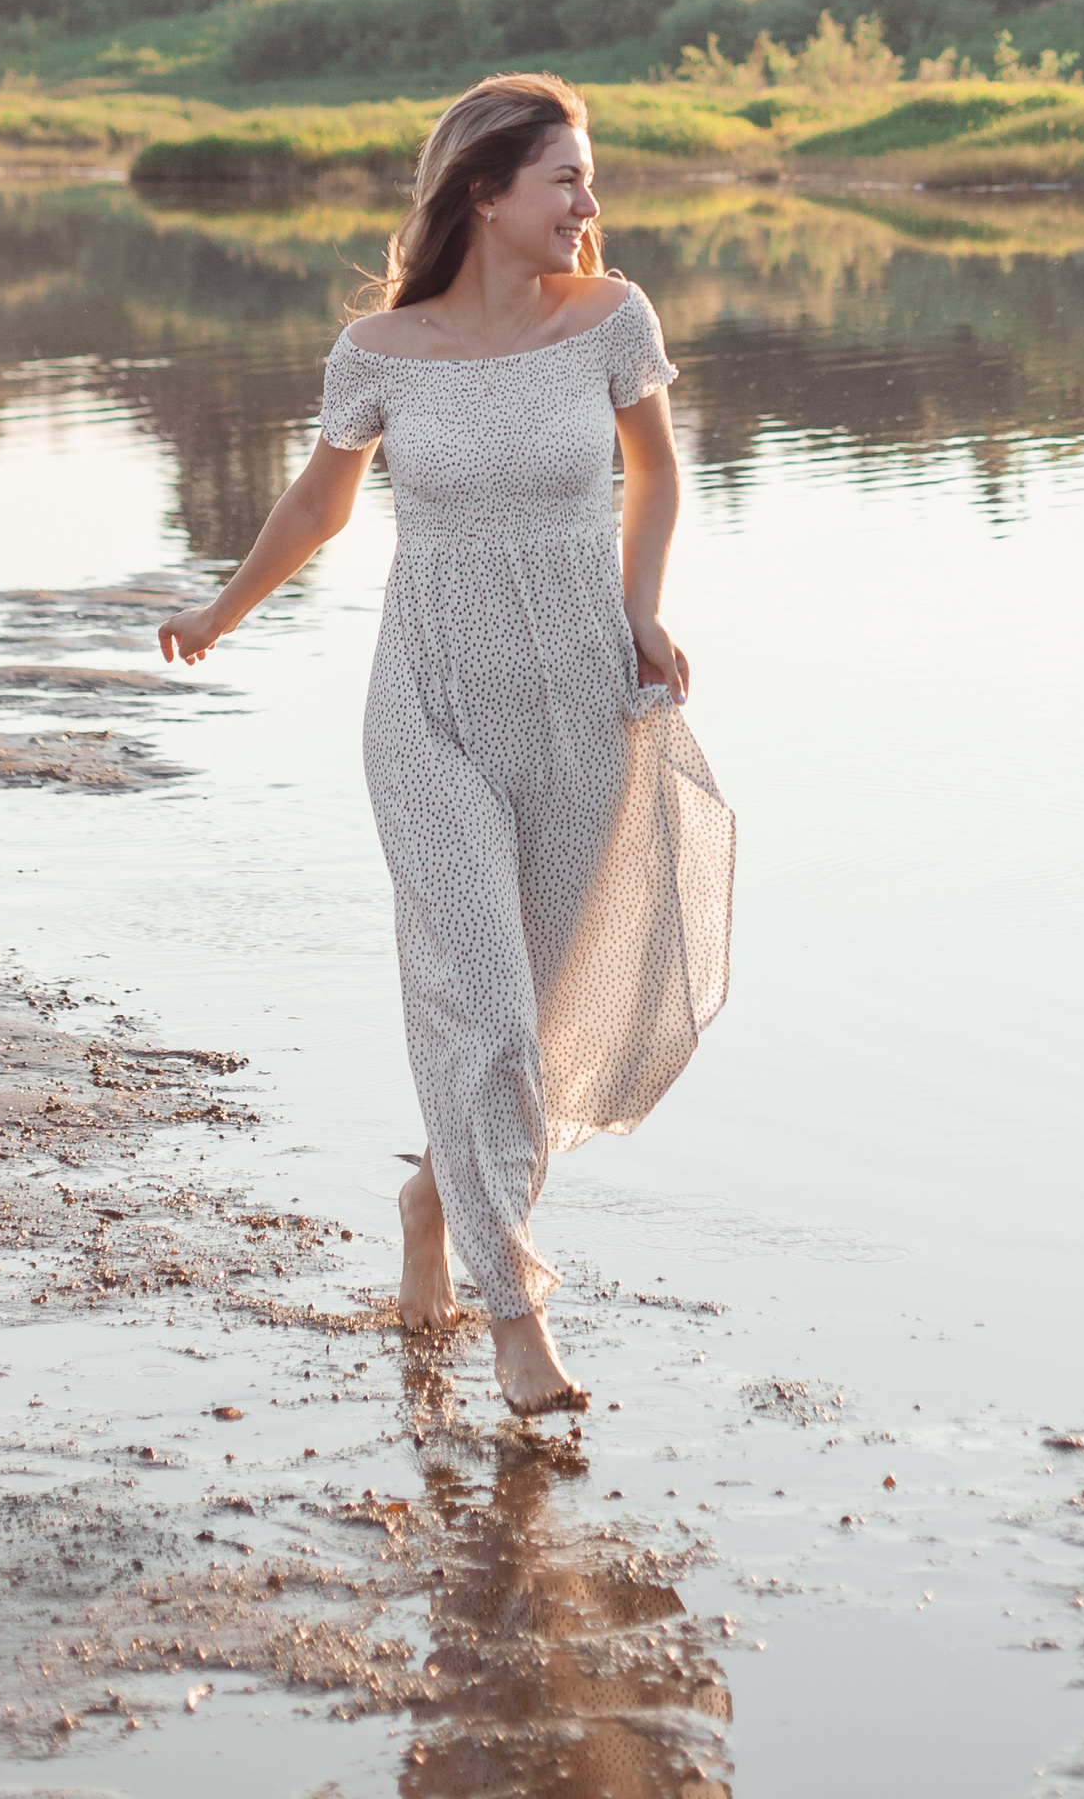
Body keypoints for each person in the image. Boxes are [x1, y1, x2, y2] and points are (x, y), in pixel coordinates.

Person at [157, 73, 733, 1416]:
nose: (590, 203)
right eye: (567, 180)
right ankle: (516, 1319)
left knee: (522, 1029)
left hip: (577, 698)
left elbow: (657, 475)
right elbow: (321, 501)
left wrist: (642, 616)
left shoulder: (611, 322)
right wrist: (222, 611)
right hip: (428, 704)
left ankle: (434, 1201)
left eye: (588, 180)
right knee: (473, 995)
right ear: (487, 191)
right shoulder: (378, 352)